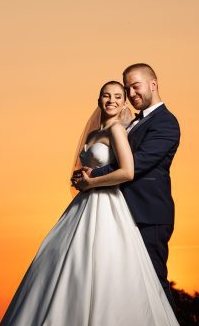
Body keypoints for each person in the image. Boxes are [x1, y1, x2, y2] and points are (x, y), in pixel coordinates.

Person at [0, 76, 199, 326]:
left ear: (148, 86)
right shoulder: (113, 128)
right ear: (99, 100)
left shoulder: (138, 127)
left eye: (120, 93)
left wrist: (92, 179)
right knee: (75, 274)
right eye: (106, 95)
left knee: (137, 283)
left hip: (127, 208)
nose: (112, 99)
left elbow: (130, 168)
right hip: (91, 208)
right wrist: (81, 180)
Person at [75, 63, 179, 309]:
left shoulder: (166, 123)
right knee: (127, 284)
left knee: (154, 281)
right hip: (121, 212)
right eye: (128, 88)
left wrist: (95, 175)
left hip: (148, 214)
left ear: (153, 84)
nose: (132, 94)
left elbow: (137, 163)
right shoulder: (130, 122)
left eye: (136, 86)